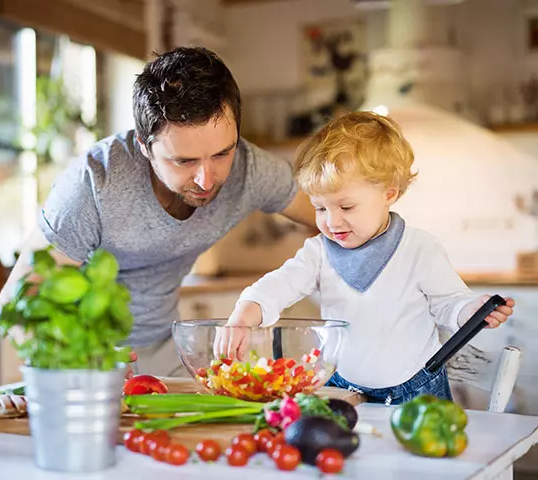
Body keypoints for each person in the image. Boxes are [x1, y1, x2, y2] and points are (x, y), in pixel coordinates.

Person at [0, 46, 318, 377]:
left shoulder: (250, 169)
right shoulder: (96, 183)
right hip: (84, 359)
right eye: (184, 161)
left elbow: (334, 219)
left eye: (222, 154)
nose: (207, 179)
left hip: (168, 351)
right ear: (145, 146)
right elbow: (18, 303)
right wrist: (50, 376)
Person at [214, 111, 515, 404]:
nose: (331, 222)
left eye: (346, 207)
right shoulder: (319, 252)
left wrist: (473, 311)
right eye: (320, 208)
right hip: (342, 387)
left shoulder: (420, 249)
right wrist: (245, 314)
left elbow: (450, 304)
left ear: (389, 194)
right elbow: (279, 285)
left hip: (415, 391)